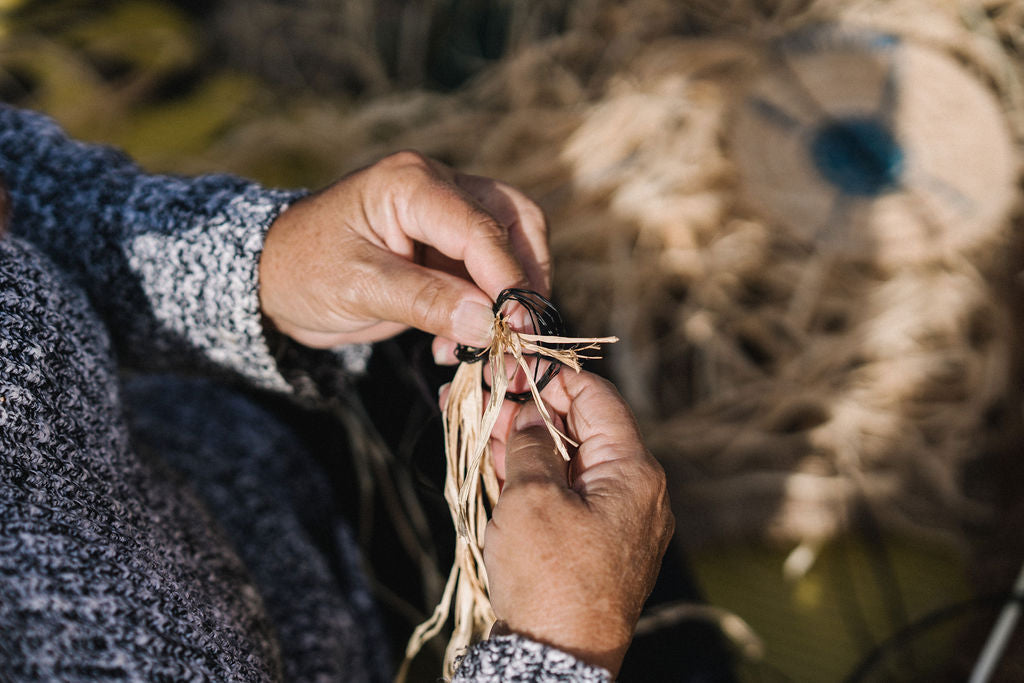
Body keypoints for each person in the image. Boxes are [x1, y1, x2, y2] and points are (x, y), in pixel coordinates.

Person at [0, 103, 673, 681]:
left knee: (501, 301)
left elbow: (21, 191)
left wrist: (259, 268)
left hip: (250, 451)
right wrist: (558, 645)